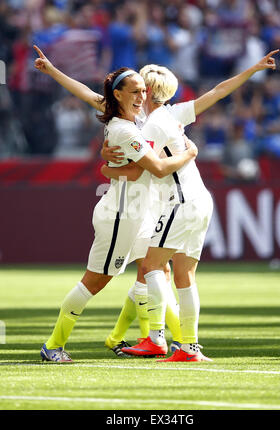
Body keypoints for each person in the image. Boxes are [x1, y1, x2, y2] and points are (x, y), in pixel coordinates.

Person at [33, 45, 197, 362]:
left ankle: (178, 343)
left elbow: (85, 93)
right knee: (96, 281)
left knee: (158, 270)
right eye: (134, 91)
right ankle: (53, 345)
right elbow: (158, 168)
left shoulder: (135, 118)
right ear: (119, 95)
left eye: (143, 90)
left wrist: (53, 71)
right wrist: (190, 153)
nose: (142, 96)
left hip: (139, 212)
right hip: (121, 215)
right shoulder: (124, 130)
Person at [115, 51, 279, 362]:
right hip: (200, 200)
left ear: (146, 91)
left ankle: (155, 339)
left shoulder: (148, 127)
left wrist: (113, 164)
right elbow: (218, 92)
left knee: (151, 266)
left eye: (139, 88)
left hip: (180, 201)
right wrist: (253, 69)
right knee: (184, 276)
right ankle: (189, 347)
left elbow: (147, 169)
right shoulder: (175, 114)